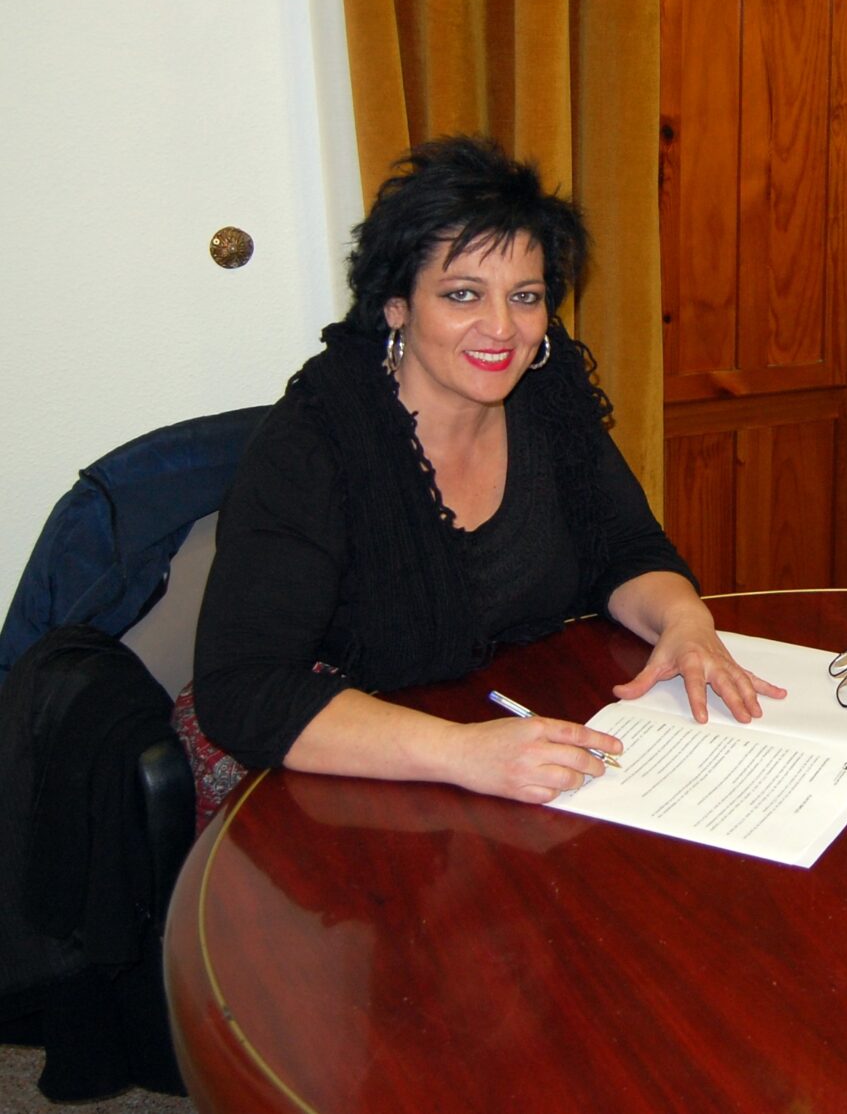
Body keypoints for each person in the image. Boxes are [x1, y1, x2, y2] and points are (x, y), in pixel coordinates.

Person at [188, 135, 782, 810]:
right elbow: (245, 689)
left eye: (525, 296)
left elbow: (625, 548)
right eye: (463, 294)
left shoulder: (546, 392)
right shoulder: (314, 441)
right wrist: (464, 752)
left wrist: (684, 621)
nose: (501, 328)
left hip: (509, 744)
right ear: (396, 304)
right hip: (347, 775)